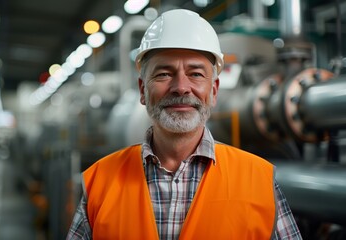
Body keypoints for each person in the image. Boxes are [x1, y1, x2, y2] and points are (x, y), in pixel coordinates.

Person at [67, 9, 302, 239]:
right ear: (142, 90)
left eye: (196, 74)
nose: (181, 87)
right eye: (163, 74)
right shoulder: (100, 180)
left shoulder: (259, 180)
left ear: (214, 90)